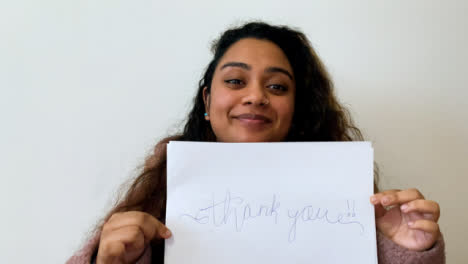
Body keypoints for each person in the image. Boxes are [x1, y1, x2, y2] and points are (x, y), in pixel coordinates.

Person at [67, 21, 445, 264]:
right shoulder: (157, 191)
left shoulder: (352, 203)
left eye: (277, 86)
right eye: (235, 81)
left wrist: (409, 252)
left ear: (297, 107)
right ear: (206, 101)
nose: (255, 96)